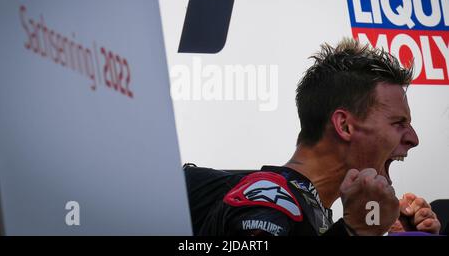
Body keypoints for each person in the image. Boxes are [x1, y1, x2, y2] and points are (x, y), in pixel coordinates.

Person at [184, 38, 441, 236]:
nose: (413, 138)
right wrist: (356, 231)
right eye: (399, 123)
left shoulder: (307, 208)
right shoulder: (270, 202)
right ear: (345, 126)